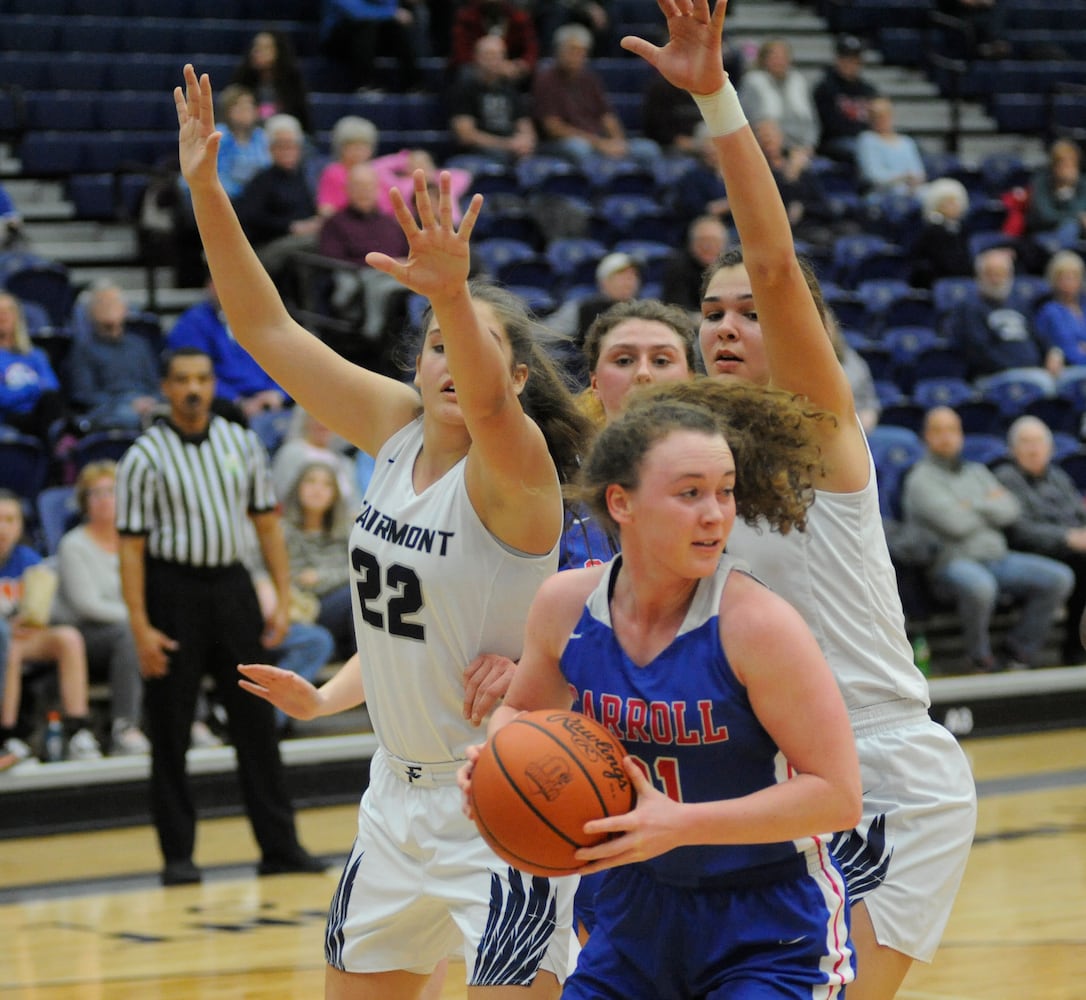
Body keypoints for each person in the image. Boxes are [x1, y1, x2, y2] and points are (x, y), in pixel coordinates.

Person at [176, 61, 592, 995]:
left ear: (519, 379)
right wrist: (207, 188)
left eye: (475, 350)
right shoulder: (396, 432)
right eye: (438, 345)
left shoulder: (518, 470)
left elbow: (487, 407)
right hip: (392, 797)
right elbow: (264, 330)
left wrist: (452, 294)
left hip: (503, 792)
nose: (452, 363)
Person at [626, 5, 976, 996]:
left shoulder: (821, 442)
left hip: (881, 777)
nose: (727, 326)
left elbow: (775, 262)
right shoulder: (683, 472)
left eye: (751, 312)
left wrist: (715, 97)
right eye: (711, 312)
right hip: (766, 784)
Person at [460, 384, 862, 999]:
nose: (715, 513)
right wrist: (495, 762)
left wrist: (682, 824)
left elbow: (837, 797)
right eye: (689, 493)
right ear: (621, 502)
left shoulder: (759, 626)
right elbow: (519, 711)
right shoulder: (567, 605)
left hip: (768, 921)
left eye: (725, 491)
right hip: (632, 908)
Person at [115, 346, 323, 886]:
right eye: (182, 380)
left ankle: (280, 847)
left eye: (202, 379)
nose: (192, 389)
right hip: (172, 589)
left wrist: (278, 596)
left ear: (213, 386)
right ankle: (178, 857)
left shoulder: (242, 442)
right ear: (165, 387)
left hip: (232, 589)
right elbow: (131, 549)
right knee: (171, 730)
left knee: (257, 721)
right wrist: (140, 625)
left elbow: (267, 527)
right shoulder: (144, 456)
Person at [903, 406, 1074, 672]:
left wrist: (966, 504)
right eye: (938, 431)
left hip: (997, 557)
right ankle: (979, 657)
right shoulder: (920, 479)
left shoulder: (976, 471)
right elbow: (955, 524)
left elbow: (1010, 509)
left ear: (961, 435)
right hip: (950, 562)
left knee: (1059, 578)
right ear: (926, 436)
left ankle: (1019, 650)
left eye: (952, 430)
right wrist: (986, 505)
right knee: (981, 587)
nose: (946, 437)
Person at [561, 298, 700, 572]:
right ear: (595, 383)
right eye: (624, 360)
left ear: (689, 380)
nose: (643, 373)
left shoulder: (732, 477)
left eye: (661, 360)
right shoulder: (556, 484)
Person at [52, 462, 150, 757]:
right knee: (130, 634)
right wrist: (140, 621)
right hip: (87, 635)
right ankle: (125, 726)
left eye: (112, 492)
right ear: (85, 503)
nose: (106, 499)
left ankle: (196, 719)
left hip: (130, 627)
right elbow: (87, 605)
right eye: (96, 494)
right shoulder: (74, 545)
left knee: (173, 625)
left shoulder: (137, 542)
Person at [0, 490, 103, 766]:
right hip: (6, 642)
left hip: (23, 639)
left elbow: (43, 612)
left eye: (10, 520)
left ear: (20, 525)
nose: (3, 528)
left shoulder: (28, 559)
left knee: (68, 638)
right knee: (6, 641)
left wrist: (29, 621)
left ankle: (78, 730)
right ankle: (9, 736)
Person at [993, 415, 1086, 665]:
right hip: (1028, 549)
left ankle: (1077, 645)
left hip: (1072, 548)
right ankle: (1068, 648)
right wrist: (1066, 538)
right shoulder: (1005, 477)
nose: (1034, 449)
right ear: (1013, 449)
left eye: (1039, 442)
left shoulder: (1058, 476)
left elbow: (1079, 513)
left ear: (1050, 448)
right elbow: (1018, 529)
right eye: (1026, 442)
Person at [531, 23, 659, 167]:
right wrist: (599, 144)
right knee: (579, 149)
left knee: (648, 149)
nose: (577, 56)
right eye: (572, 50)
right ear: (558, 50)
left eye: (582, 52)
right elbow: (553, 128)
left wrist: (618, 141)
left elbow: (607, 116)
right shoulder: (546, 79)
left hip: (597, 139)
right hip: (562, 143)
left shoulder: (589, 79)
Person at [165, 273, 290, 420]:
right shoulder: (192, 323)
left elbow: (285, 361)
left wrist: (277, 393)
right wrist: (238, 401)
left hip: (271, 402)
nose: (230, 290)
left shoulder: (260, 318)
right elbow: (194, 374)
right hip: (226, 406)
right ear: (210, 286)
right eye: (221, 282)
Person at [316, 162, 410, 344]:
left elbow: (407, 253)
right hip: (360, 275)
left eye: (368, 186)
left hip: (397, 275)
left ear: (377, 189)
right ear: (347, 190)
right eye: (358, 186)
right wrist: (377, 264)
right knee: (375, 286)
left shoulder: (390, 223)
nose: (364, 191)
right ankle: (372, 335)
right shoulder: (335, 223)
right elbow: (331, 258)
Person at [943, 247, 1061, 383]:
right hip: (994, 377)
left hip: (1033, 372)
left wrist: (1053, 352)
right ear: (979, 276)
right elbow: (979, 352)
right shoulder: (970, 308)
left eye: (1002, 273)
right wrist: (1019, 367)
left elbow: (1038, 337)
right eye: (991, 274)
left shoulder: (1019, 305)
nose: (996, 279)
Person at [280, 460, 356, 662]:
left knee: (360, 594)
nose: (317, 489)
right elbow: (298, 581)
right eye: (310, 482)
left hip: (337, 609)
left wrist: (321, 576)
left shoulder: (345, 530)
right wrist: (337, 575)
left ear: (335, 494)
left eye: (326, 484)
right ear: (297, 488)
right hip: (301, 610)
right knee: (354, 595)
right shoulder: (283, 530)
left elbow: (358, 571)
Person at [235, 114, 322, 287]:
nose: (287, 151)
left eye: (292, 146)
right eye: (281, 146)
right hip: (268, 246)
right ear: (271, 149)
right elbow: (250, 218)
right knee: (317, 241)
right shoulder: (261, 181)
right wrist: (290, 226)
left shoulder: (303, 178)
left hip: (301, 243)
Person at [66, 284, 161, 432]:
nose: (109, 307)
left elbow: (155, 385)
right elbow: (84, 395)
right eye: (102, 303)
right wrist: (129, 403)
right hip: (109, 410)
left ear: (126, 309)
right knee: (127, 417)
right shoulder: (83, 349)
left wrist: (151, 401)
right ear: (90, 312)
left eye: (115, 302)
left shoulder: (139, 345)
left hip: (146, 404)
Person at [449, 34, 538, 164]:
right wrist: (507, 144)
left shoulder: (510, 90)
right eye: (488, 55)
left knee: (539, 168)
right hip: (478, 154)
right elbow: (466, 136)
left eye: (498, 55)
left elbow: (526, 127)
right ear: (476, 57)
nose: (493, 61)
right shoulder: (464, 89)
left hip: (512, 151)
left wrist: (525, 142)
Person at [0, 290, 64, 443]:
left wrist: (18, 391)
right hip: (10, 416)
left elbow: (52, 387)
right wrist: (35, 386)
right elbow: (3, 398)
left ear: (17, 317)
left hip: (40, 412)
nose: (3, 316)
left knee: (51, 403)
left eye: (8, 311)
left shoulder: (35, 354)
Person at [737, 37, 819, 156]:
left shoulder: (799, 82)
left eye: (783, 57)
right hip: (767, 147)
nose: (779, 61)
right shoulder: (753, 82)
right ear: (764, 59)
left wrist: (807, 147)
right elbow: (753, 122)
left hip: (801, 147)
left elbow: (812, 122)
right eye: (774, 57)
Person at [272, 407, 364, 512]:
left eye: (331, 420)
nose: (323, 424)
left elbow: (355, 504)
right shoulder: (291, 452)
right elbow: (281, 495)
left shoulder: (345, 463)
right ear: (305, 420)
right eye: (317, 417)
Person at [319, 0, 418, 94]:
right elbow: (356, 12)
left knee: (397, 28)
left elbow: (392, 6)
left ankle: (413, 85)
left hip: (372, 40)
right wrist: (391, 13)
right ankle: (364, 85)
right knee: (366, 26)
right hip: (339, 42)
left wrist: (392, 13)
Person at [813, 33, 879, 163]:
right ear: (838, 59)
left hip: (865, 140)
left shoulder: (868, 89)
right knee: (860, 150)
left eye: (856, 58)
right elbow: (831, 126)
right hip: (835, 142)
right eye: (847, 58)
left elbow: (878, 119)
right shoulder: (825, 88)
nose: (851, 63)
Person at [231, 30, 312, 133]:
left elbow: (304, 123)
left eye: (265, 48)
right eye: (255, 47)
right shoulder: (242, 81)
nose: (257, 52)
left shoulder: (292, 84)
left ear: (279, 51)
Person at [449, 0, 540, 89]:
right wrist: (488, 65)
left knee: (536, 72)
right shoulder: (467, 17)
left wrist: (518, 66)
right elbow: (461, 53)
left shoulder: (518, 17)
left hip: (509, 67)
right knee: (465, 73)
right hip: (478, 68)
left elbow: (531, 50)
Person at [855, 96, 927, 199]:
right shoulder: (867, 140)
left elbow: (918, 171)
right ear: (870, 119)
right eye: (876, 116)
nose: (881, 120)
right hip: (883, 193)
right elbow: (873, 175)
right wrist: (902, 178)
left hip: (913, 189)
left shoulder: (906, 141)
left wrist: (914, 180)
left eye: (884, 115)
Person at [209, 84, 271, 202]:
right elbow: (215, 175)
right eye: (241, 106)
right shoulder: (219, 135)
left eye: (250, 106)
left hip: (258, 198)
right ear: (228, 111)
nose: (247, 111)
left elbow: (267, 169)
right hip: (225, 198)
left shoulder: (261, 136)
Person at [909, 177, 973, 290]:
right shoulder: (933, 231)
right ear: (937, 205)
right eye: (949, 203)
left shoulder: (960, 229)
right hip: (938, 282)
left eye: (956, 202)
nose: (955, 206)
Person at [660, 214, 728, 317]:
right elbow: (677, 310)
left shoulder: (732, 268)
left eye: (714, 241)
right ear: (691, 244)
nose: (708, 246)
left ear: (724, 244)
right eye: (703, 240)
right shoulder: (677, 267)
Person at [315, 115, 380, 218]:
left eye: (363, 146)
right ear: (341, 148)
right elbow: (325, 209)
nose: (358, 152)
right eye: (353, 146)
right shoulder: (332, 173)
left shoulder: (375, 171)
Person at [1026, 138, 1086, 245]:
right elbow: (1045, 216)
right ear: (1054, 166)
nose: (1069, 169)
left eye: (1073, 164)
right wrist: (1075, 217)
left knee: (1071, 227)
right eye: (1064, 164)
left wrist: (1067, 188)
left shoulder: (1082, 183)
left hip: (1076, 234)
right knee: (1070, 226)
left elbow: (1082, 207)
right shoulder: (1040, 183)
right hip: (1044, 233)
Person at [1034, 249, 1086, 367]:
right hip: (1069, 367)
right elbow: (1046, 345)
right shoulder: (1048, 311)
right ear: (1054, 280)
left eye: (1074, 277)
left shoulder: (1084, 307)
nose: (1069, 283)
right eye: (1065, 278)